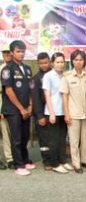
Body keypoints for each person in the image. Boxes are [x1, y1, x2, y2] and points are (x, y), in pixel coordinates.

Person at [1, 40, 35, 176]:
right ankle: (18, 165)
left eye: (23, 51)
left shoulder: (27, 69)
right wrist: (21, 109)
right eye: (18, 51)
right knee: (16, 138)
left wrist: (30, 105)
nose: (21, 54)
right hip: (13, 110)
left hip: (26, 108)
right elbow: (9, 91)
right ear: (11, 53)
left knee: (25, 136)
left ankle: (25, 160)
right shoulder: (7, 70)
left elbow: (31, 88)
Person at [60, 50, 86, 174]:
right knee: (74, 141)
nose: (78, 62)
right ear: (72, 61)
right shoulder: (67, 76)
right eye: (76, 60)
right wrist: (66, 113)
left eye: (81, 60)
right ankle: (76, 164)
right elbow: (65, 96)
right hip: (73, 114)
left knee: (85, 139)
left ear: (84, 61)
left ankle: (84, 160)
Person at [43, 52, 73, 174]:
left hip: (64, 111)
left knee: (62, 138)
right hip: (53, 112)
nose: (60, 65)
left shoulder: (66, 75)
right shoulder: (48, 76)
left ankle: (63, 160)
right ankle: (54, 163)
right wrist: (51, 113)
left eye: (62, 62)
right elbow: (47, 95)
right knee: (54, 139)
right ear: (52, 63)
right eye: (57, 62)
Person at [31, 52, 52, 170]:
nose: (44, 65)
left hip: (55, 112)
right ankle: (47, 161)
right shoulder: (36, 78)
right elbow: (36, 99)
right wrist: (40, 116)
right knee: (44, 138)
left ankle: (55, 158)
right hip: (42, 113)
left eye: (46, 62)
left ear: (50, 62)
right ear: (38, 64)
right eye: (41, 63)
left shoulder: (56, 75)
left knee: (54, 137)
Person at [0, 44, 14, 170]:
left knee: (14, 134)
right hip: (3, 105)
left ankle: (15, 157)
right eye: (5, 54)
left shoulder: (17, 68)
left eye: (9, 53)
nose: (7, 56)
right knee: (5, 133)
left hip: (15, 106)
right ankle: (9, 158)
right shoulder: (2, 69)